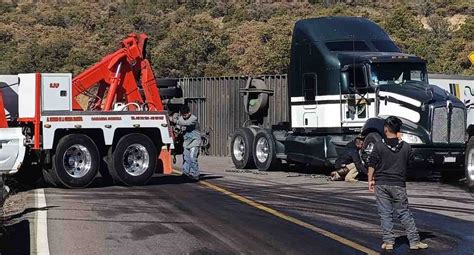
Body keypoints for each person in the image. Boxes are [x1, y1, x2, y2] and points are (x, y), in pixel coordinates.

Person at [367, 116, 428, 251]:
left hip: (381, 184)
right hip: (398, 184)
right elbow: (410, 164)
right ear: (398, 130)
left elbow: (372, 164)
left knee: (385, 214)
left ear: (386, 128)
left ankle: (388, 242)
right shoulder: (406, 147)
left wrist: (370, 179)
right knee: (404, 213)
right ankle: (414, 241)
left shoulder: (379, 146)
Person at [171, 105, 202, 181]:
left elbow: (186, 123)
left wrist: (174, 120)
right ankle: (185, 173)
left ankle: (195, 174)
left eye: (185, 115)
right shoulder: (181, 118)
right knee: (186, 158)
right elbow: (179, 126)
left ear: (189, 113)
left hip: (194, 141)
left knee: (192, 158)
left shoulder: (193, 118)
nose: (184, 117)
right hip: (186, 142)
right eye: (182, 115)